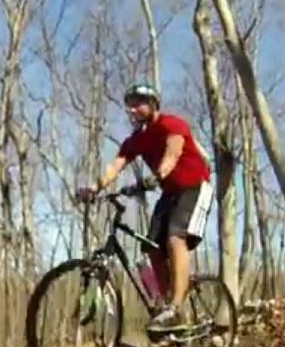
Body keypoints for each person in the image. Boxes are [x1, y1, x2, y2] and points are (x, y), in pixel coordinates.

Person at [77, 82, 213, 332]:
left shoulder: (172, 124)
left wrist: (156, 175)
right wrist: (94, 189)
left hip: (195, 186)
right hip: (170, 193)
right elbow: (115, 167)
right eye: (129, 106)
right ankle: (165, 306)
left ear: (152, 105)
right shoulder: (134, 141)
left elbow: (172, 154)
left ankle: (176, 306)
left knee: (175, 237)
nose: (132, 110)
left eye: (138, 104)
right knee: (150, 246)